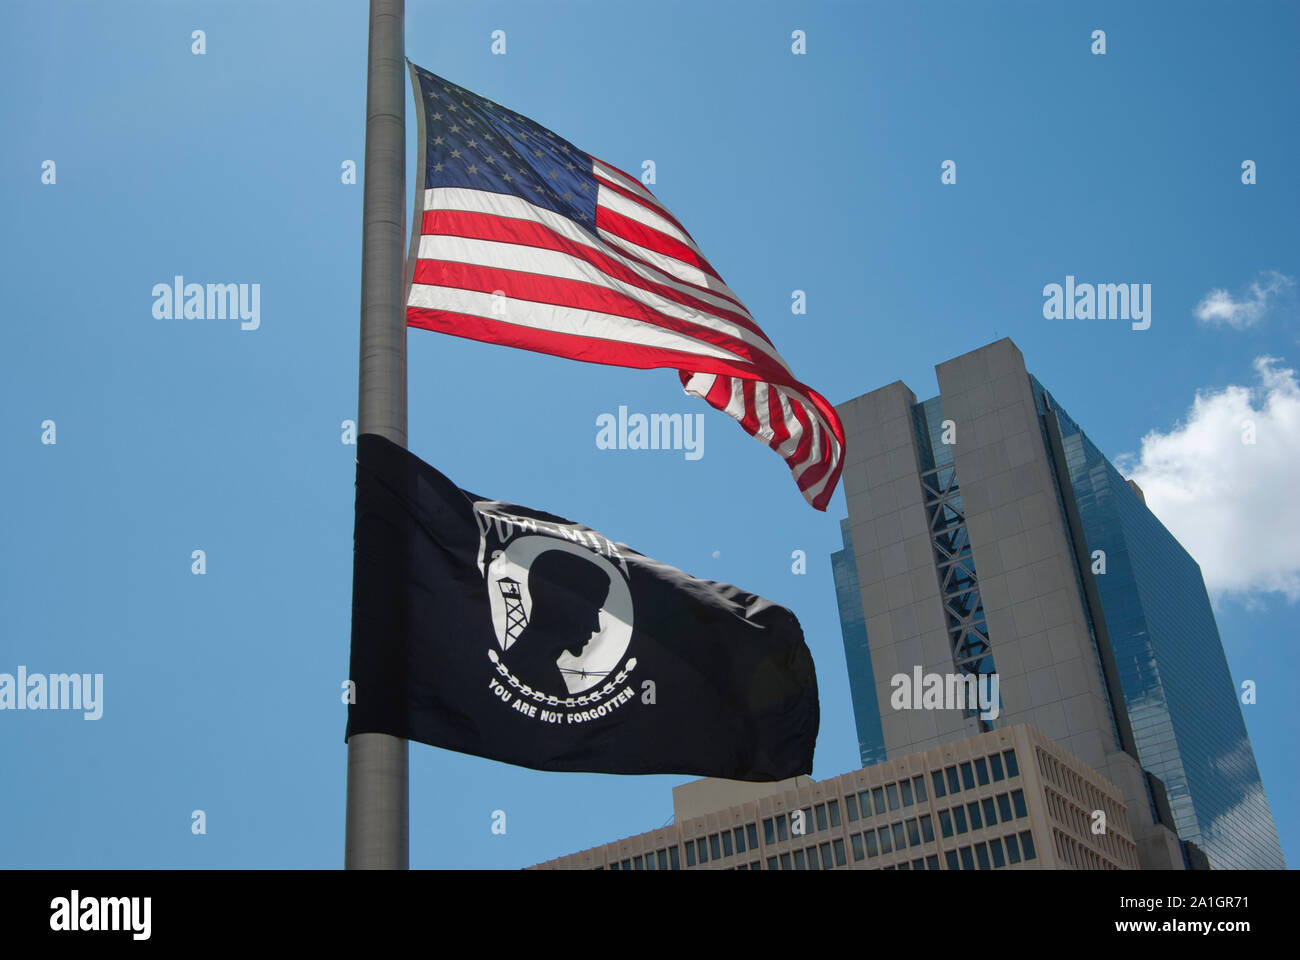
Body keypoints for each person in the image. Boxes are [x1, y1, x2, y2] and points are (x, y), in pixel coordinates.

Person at [504, 550, 609, 694]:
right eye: (592, 611)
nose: (595, 627)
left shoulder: (522, 671)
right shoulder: (533, 679)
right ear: (563, 606)